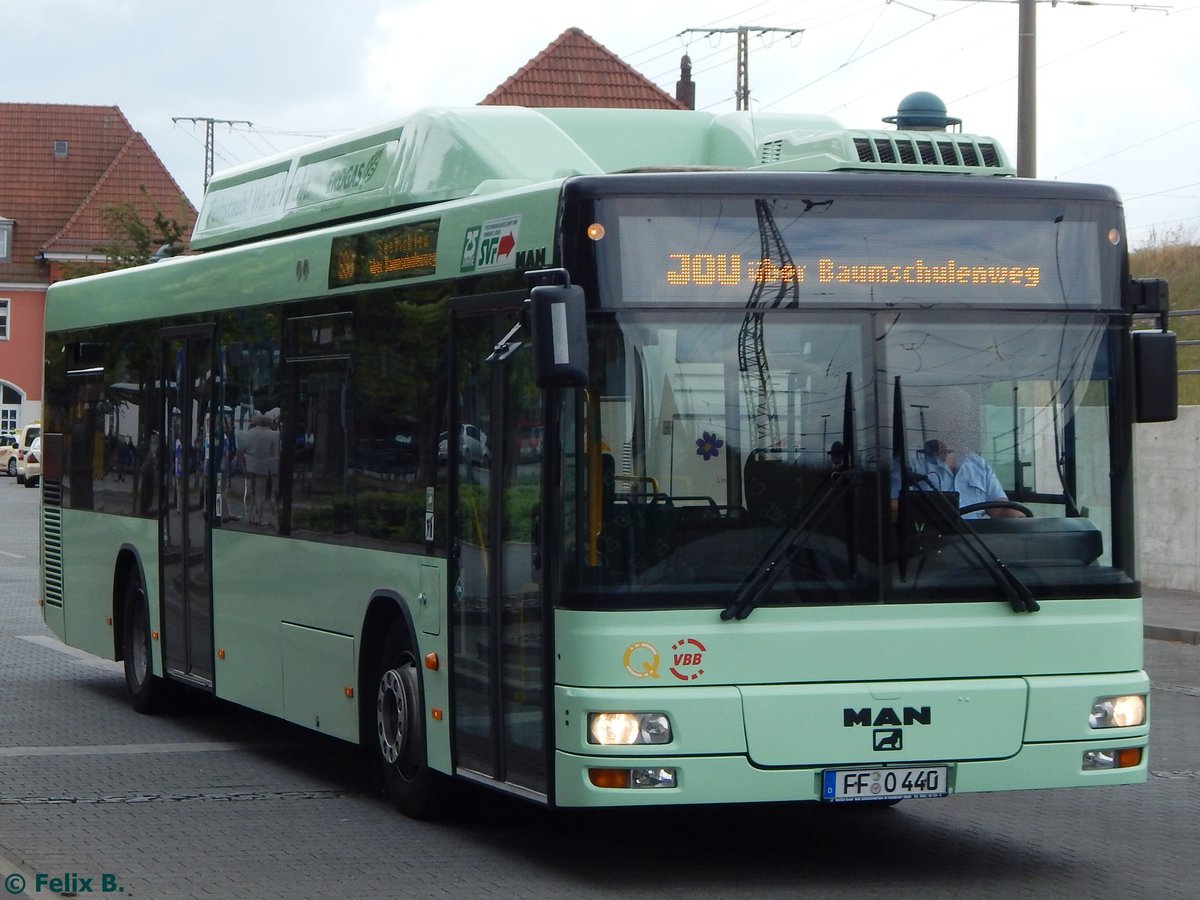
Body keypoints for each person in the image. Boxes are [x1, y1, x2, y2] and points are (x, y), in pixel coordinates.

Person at [893, 388, 1024, 520]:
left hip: (975, 533)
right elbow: (892, 508)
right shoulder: (910, 461)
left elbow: (1000, 509)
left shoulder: (978, 464)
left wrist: (1022, 522)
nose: (959, 422)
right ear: (936, 418)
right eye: (952, 414)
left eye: (963, 415)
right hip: (932, 532)